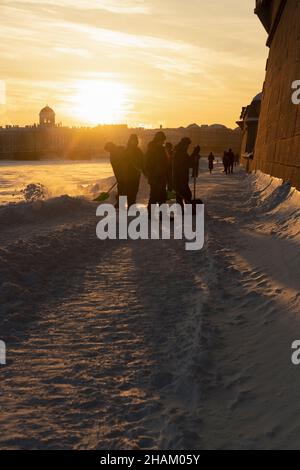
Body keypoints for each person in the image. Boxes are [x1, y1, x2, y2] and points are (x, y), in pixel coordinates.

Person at [145, 131, 169, 214]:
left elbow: (165, 162)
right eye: (162, 140)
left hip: (161, 176)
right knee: (154, 196)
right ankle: (151, 214)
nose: (163, 142)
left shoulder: (161, 149)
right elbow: (148, 164)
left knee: (162, 196)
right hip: (155, 177)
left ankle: (163, 214)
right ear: (158, 140)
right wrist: (153, 175)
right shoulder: (152, 150)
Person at [104, 142, 126, 207]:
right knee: (121, 188)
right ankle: (119, 203)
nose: (108, 151)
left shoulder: (117, 153)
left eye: (108, 150)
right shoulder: (114, 153)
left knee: (122, 189)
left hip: (124, 174)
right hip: (120, 174)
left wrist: (121, 174)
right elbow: (115, 167)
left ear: (111, 148)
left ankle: (120, 204)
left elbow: (121, 164)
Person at [173, 137, 192, 209]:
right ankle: (186, 210)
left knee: (181, 195)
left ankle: (182, 210)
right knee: (186, 194)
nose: (188, 146)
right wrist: (194, 154)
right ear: (184, 144)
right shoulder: (180, 152)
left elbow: (188, 162)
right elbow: (188, 163)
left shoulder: (180, 151)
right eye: (187, 145)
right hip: (180, 177)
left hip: (181, 177)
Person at [125, 134, 143, 207]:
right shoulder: (127, 150)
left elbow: (142, 160)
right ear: (130, 140)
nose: (134, 142)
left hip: (136, 174)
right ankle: (130, 206)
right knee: (130, 191)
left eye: (135, 140)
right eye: (133, 140)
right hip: (128, 174)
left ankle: (132, 205)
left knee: (135, 190)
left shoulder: (138, 150)